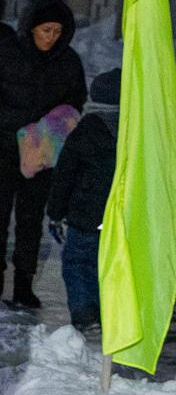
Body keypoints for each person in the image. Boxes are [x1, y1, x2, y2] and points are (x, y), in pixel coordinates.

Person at [0, 0, 86, 306]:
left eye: (58, 32)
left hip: (42, 156)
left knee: (31, 221)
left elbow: (75, 102)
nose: (51, 37)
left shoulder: (68, 61)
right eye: (46, 30)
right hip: (2, 148)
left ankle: (23, 284)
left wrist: (54, 128)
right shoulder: (4, 55)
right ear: (31, 27)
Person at [48, 67, 120, 333]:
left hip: (86, 217)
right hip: (121, 217)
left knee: (78, 262)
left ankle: (85, 313)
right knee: (112, 266)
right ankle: (110, 313)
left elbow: (65, 175)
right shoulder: (138, 136)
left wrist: (55, 213)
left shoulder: (86, 132)